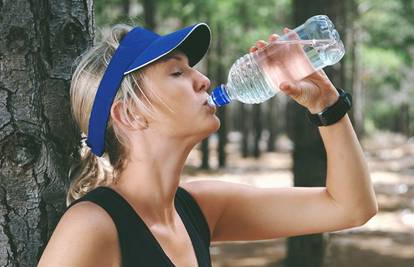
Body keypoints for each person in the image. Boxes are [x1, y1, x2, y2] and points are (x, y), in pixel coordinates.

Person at [37, 22, 378, 267]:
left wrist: (327, 107)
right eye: (177, 73)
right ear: (129, 113)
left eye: (192, 69)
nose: (203, 79)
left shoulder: (199, 209)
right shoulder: (92, 227)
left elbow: (350, 207)